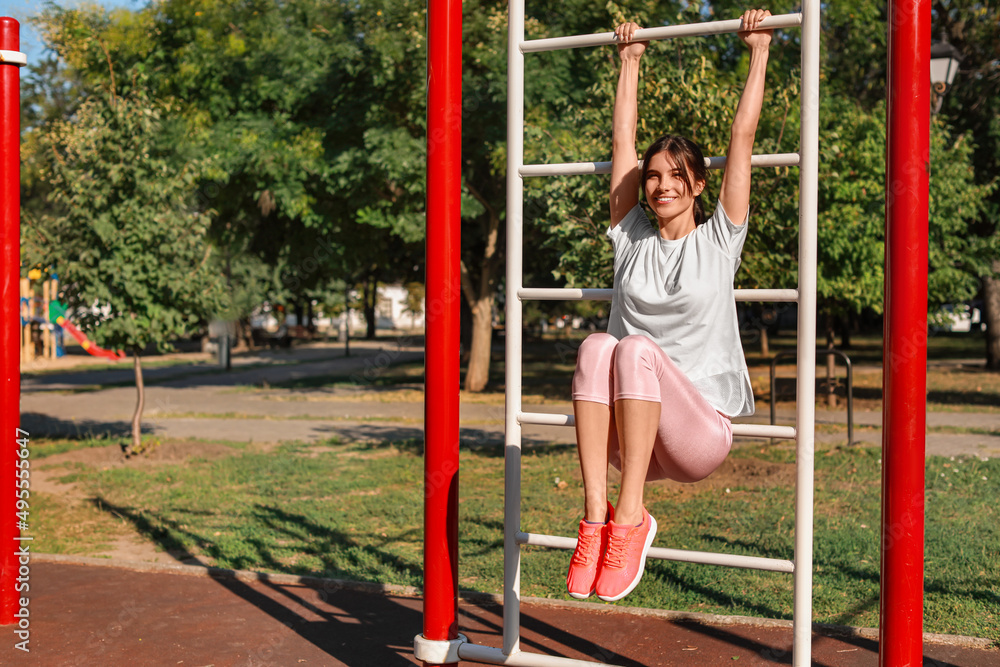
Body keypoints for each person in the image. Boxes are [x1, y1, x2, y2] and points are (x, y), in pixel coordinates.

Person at [565, 9, 772, 603]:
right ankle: (596, 514)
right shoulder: (630, 235)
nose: (661, 185)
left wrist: (758, 52)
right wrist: (629, 61)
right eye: (653, 176)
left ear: (698, 185)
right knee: (596, 345)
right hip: (633, 439)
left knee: (632, 349)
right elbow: (622, 143)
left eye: (677, 176)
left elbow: (742, 140)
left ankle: (632, 518)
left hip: (697, 433)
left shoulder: (719, 239)